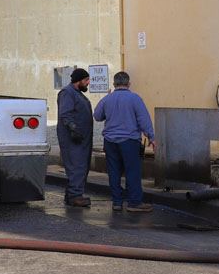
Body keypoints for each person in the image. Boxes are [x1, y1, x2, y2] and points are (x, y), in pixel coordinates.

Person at [93, 71, 156, 212]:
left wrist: (106, 99)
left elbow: (97, 116)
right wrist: (151, 137)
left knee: (114, 172)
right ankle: (134, 203)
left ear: (114, 84)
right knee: (132, 171)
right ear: (129, 84)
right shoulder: (135, 99)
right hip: (129, 141)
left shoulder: (107, 99)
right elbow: (143, 120)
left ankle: (117, 202)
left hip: (110, 141)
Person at [57, 68, 94, 207]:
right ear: (78, 81)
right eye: (86, 80)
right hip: (73, 139)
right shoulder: (68, 93)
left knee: (80, 165)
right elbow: (65, 114)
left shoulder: (77, 93)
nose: (88, 83)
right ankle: (75, 196)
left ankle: (72, 194)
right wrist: (73, 129)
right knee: (77, 166)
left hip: (81, 138)